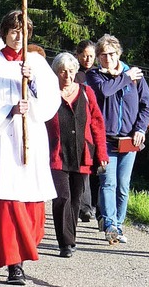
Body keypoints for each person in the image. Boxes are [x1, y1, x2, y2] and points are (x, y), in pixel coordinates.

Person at [0, 10, 60, 285]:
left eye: (23, 31)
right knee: (8, 201)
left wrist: (32, 82)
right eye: (13, 30)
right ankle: (14, 265)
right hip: (4, 141)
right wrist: (8, 109)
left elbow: (50, 101)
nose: (18, 36)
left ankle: (28, 248)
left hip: (31, 137)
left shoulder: (36, 62)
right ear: (4, 33)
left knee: (32, 201)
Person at [86, 34, 149, 244]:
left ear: (119, 54)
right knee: (108, 183)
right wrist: (125, 77)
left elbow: (146, 105)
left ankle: (119, 225)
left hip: (129, 140)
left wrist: (140, 129)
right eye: (103, 55)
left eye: (112, 54)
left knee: (123, 186)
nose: (107, 58)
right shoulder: (95, 76)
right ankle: (110, 225)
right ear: (97, 57)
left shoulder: (136, 76)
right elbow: (105, 92)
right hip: (105, 140)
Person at [46, 53, 108, 258]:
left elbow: (97, 124)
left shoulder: (86, 92)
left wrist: (101, 153)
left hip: (83, 155)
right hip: (56, 154)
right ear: (56, 73)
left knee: (76, 199)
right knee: (62, 197)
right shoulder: (48, 94)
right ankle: (65, 242)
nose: (67, 75)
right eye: (63, 71)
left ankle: (70, 236)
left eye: (71, 71)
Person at [74, 39, 97, 222]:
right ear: (78, 55)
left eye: (91, 56)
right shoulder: (75, 75)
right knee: (84, 166)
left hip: (96, 124)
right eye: (84, 56)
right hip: (80, 125)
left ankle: (95, 206)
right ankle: (85, 206)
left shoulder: (98, 74)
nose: (88, 59)